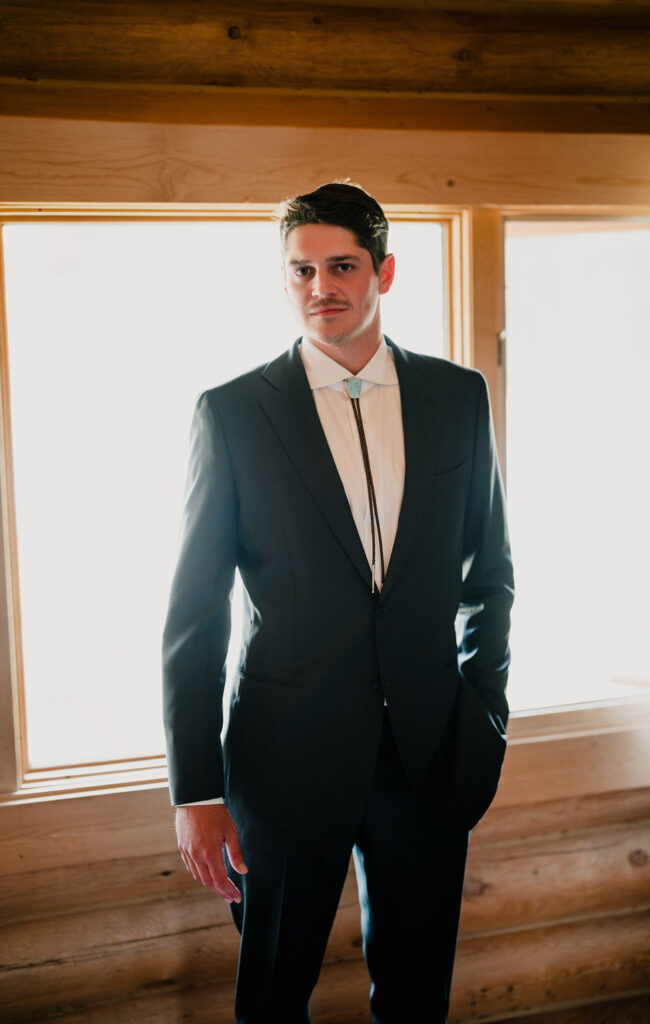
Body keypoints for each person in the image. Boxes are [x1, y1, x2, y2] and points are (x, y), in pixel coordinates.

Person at [162, 181, 514, 1024]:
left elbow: (488, 574)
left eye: (342, 266)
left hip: (429, 756)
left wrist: (485, 715)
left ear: (383, 273)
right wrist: (195, 791)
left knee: (416, 993)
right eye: (302, 271)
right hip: (283, 764)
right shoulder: (234, 413)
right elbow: (194, 616)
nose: (321, 287)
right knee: (273, 996)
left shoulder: (457, 397)